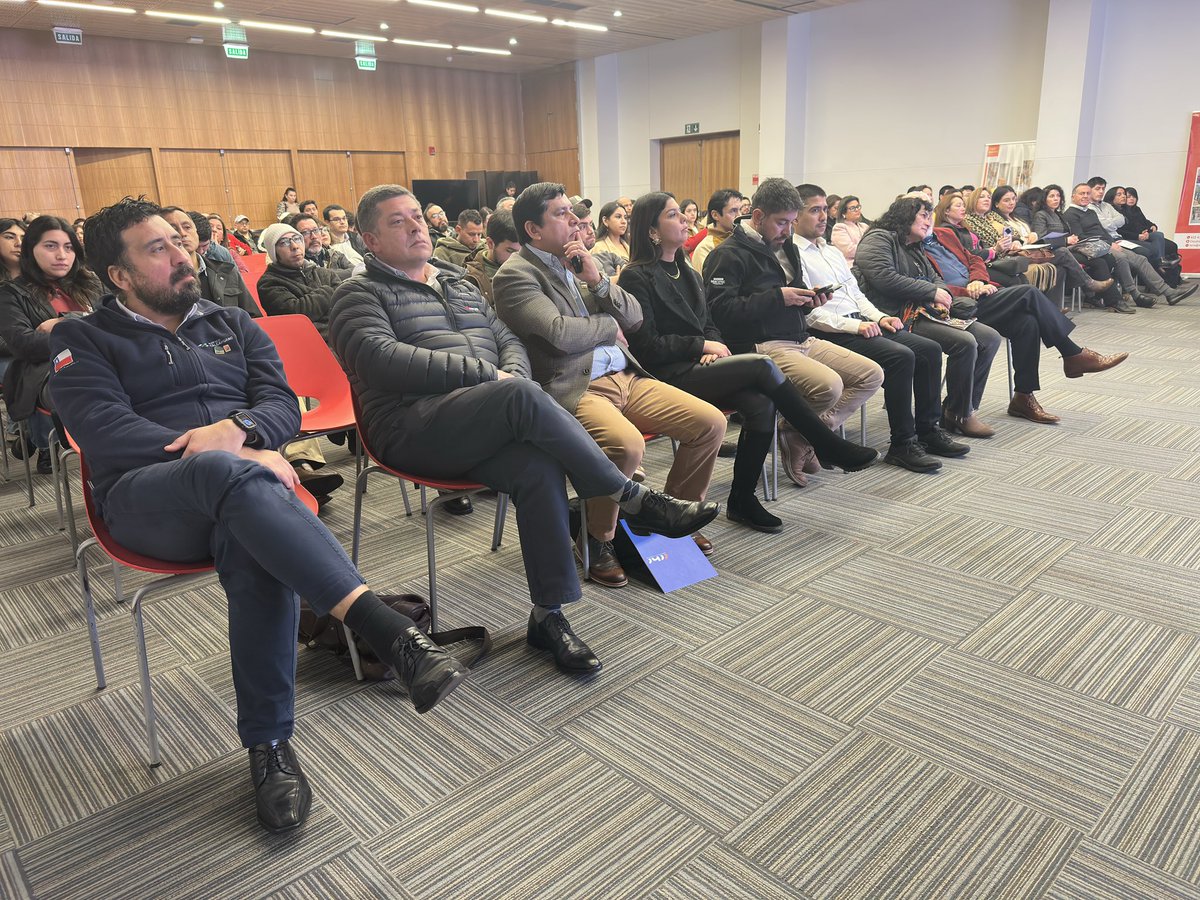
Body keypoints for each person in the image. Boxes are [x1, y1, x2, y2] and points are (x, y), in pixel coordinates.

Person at [51, 197, 469, 833]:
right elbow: (103, 431)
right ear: (119, 276)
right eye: (157, 249)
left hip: (241, 494)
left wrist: (241, 431)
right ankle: (388, 632)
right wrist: (228, 447)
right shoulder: (83, 339)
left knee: (250, 533)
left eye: (178, 241)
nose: (181, 255)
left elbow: (284, 404)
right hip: (144, 500)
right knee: (237, 479)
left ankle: (269, 749)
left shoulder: (231, 321)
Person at [328, 184, 717, 668]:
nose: (415, 227)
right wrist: (492, 376)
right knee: (517, 392)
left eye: (418, 218)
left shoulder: (458, 284)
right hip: (411, 426)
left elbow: (507, 339)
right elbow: (380, 360)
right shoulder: (355, 294)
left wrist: (509, 373)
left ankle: (546, 615)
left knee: (537, 467)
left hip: (483, 414)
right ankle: (632, 496)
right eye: (397, 221)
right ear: (369, 240)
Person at [493, 182, 726, 583]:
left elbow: (633, 319)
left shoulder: (579, 261)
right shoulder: (515, 276)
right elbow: (559, 333)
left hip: (626, 375)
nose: (574, 222)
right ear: (533, 229)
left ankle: (673, 514)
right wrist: (605, 325)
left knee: (710, 423)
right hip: (576, 385)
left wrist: (599, 281)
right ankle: (597, 537)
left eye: (573, 213)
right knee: (626, 445)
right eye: (562, 214)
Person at [618, 192, 877, 532]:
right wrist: (701, 345)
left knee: (761, 404)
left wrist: (714, 345)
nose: (684, 220)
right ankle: (824, 442)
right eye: (673, 215)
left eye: (682, 214)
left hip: (700, 365)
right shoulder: (637, 276)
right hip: (665, 374)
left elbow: (710, 322)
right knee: (761, 366)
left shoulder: (687, 271)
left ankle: (742, 500)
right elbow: (647, 345)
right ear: (652, 231)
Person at [857, 196, 1129, 426]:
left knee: (1027, 323)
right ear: (905, 217)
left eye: (929, 215)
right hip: (955, 303)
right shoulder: (906, 244)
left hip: (974, 293)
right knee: (1028, 293)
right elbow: (925, 284)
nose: (928, 220)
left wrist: (979, 280)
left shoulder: (944, 234)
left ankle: (1024, 397)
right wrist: (961, 291)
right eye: (923, 215)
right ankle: (1072, 353)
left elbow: (974, 258)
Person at [703, 178, 884, 486]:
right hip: (763, 345)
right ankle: (808, 435)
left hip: (800, 337)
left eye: (791, 222)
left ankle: (797, 433)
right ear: (758, 217)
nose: (787, 231)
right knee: (829, 385)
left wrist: (808, 299)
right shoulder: (727, 254)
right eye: (781, 223)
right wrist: (779, 297)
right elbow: (722, 313)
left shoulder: (785, 246)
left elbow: (791, 296)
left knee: (872, 374)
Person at [792, 184, 972, 467]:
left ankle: (928, 430)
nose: (823, 216)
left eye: (825, 210)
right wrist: (857, 327)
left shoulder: (830, 251)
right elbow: (809, 315)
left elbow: (856, 295)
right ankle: (903, 443)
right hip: (830, 331)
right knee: (902, 356)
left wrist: (878, 317)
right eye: (815, 210)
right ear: (794, 215)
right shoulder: (793, 254)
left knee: (930, 349)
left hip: (859, 322)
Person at [0, 215, 103, 473]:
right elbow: (25, 345)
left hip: (104, 363)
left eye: (68, 247)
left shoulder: (91, 283)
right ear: (30, 249)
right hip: (47, 371)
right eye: (50, 246)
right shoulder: (11, 293)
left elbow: (116, 322)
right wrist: (89, 329)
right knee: (90, 390)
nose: (61, 255)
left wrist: (64, 322)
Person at [1065, 183, 1195, 307]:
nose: (1086, 196)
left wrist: (1111, 242)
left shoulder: (1090, 212)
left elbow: (1103, 231)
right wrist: (1109, 244)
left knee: (1141, 259)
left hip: (1106, 244)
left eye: (1088, 193)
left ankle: (1168, 292)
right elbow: (1081, 237)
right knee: (1122, 257)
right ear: (1073, 196)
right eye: (1082, 193)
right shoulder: (1071, 214)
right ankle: (1135, 294)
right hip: (1092, 248)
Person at [989, 185, 1103, 303]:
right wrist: (1026, 239)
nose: (1011, 203)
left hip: (1030, 252)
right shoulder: (997, 221)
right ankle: (1089, 284)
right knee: (1063, 252)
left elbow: (1032, 237)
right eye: (1006, 200)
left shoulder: (1017, 219)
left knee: (1060, 268)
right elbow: (1012, 240)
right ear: (997, 204)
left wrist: (1030, 237)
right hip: (1017, 256)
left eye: (1013, 199)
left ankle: (1055, 308)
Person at [1032, 185, 1123, 309]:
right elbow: (1041, 240)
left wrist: (1071, 238)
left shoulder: (1059, 215)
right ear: (1044, 199)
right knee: (1098, 262)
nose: (1056, 199)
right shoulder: (1041, 215)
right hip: (1050, 252)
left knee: (1106, 258)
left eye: (1058, 196)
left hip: (1068, 248)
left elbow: (1067, 233)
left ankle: (1095, 296)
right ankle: (1094, 288)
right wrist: (1065, 240)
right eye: (1052, 196)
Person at [161, 207, 259, 316]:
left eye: (187, 227)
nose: (182, 233)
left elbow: (254, 316)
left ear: (196, 232)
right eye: (173, 229)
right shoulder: (158, 284)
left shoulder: (228, 272)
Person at [464, 208, 520, 303]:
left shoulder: (529, 267)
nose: (516, 257)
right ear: (490, 243)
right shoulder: (471, 278)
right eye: (510, 251)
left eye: (521, 251)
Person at [690, 189, 744, 275]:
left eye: (740, 210)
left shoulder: (743, 240)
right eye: (733, 211)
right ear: (715, 215)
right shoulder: (705, 249)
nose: (739, 215)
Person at [291, 214, 354, 281]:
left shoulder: (334, 255)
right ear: (296, 238)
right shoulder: (297, 262)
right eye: (306, 232)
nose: (314, 236)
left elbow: (354, 271)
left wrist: (322, 274)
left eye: (316, 230)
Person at [0, 218, 23, 384]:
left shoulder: (41, 278)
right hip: (9, 355)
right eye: (9, 237)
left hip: (46, 348)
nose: (19, 243)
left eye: (23, 237)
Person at [590, 201, 630, 277]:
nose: (624, 221)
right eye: (618, 217)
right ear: (605, 221)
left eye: (625, 217)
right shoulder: (598, 247)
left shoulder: (629, 245)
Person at [830, 195, 869, 262]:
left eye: (858, 207)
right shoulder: (839, 228)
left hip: (868, 260)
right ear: (843, 213)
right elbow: (849, 251)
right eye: (853, 208)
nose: (857, 210)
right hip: (850, 265)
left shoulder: (864, 226)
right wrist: (871, 248)